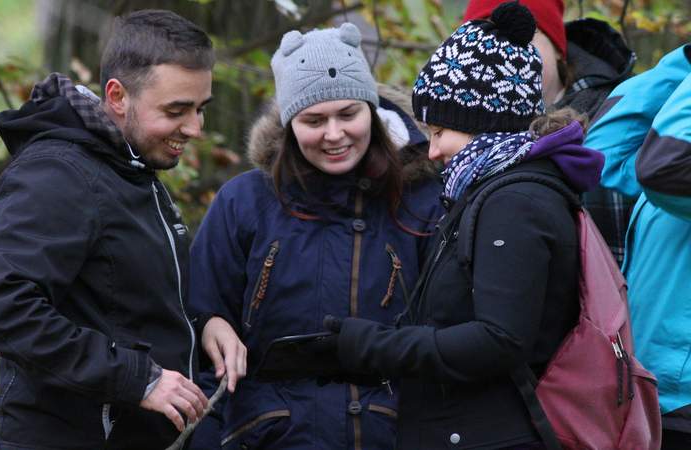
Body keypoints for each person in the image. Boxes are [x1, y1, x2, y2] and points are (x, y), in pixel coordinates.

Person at [326, 3, 604, 448]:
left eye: (439, 131)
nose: (432, 151)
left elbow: (499, 339)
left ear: (482, 124)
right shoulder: (492, 191)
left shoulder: (515, 202)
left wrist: (374, 347)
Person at [186, 23, 443, 449]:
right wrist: (211, 322)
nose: (334, 135)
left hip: (390, 433)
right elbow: (198, 316)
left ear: (371, 111)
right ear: (289, 124)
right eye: (313, 120)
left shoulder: (422, 199)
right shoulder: (245, 201)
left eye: (348, 114)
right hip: (266, 434)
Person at [0, 10, 213, 450]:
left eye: (200, 109)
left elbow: (127, 304)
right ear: (117, 97)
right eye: (176, 110)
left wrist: (208, 324)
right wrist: (138, 379)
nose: (195, 128)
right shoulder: (57, 173)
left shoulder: (131, 172)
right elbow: (2, 308)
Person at [463, 0, 636, 265]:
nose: (503, 53)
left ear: (557, 47)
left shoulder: (617, 116)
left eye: (519, 36)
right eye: (486, 38)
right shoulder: (459, 136)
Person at [584, 43, 691, 449]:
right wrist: (683, 61)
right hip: (652, 388)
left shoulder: (673, 166)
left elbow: (662, 169)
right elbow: (602, 162)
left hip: (681, 400)